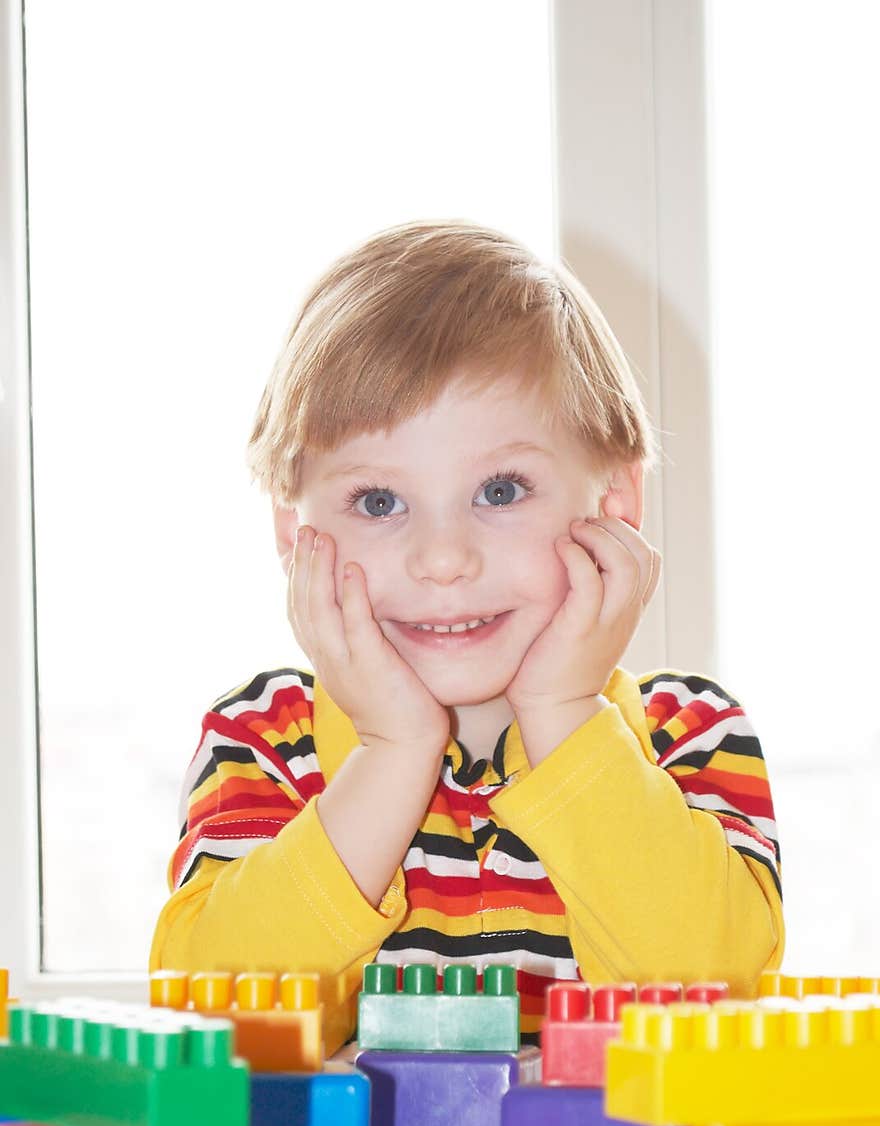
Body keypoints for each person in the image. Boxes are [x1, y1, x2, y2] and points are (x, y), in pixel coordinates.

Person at [149, 220, 784, 1054]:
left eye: (501, 488)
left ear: (617, 504)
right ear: (291, 529)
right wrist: (391, 750)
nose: (442, 558)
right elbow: (211, 1019)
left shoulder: (689, 734)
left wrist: (564, 712)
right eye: (379, 502)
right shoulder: (265, 738)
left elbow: (718, 1003)